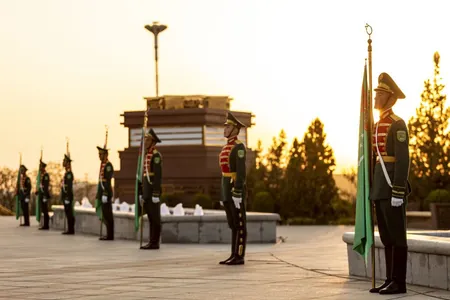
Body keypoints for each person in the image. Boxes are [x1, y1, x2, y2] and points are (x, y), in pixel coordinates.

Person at [369, 72, 410, 295]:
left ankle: (399, 282)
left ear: (390, 98)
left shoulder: (398, 124)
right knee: (386, 236)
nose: (376, 97)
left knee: (397, 235)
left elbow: (403, 159)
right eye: (376, 93)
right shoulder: (377, 124)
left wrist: (398, 189)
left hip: (392, 186)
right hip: (380, 187)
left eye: (380, 94)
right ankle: (389, 279)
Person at [218, 112, 247, 265]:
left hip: (235, 190)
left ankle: (239, 255)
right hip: (227, 189)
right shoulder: (227, 147)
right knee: (233, 224)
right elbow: (224, 173)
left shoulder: (239, 148)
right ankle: (233, 254)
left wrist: (237, 192)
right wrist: (223, 194)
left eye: (228, 126)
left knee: (240, 224)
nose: (225, 129)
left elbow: (241, 173)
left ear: (235, 129)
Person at [138, 128, 163, 250]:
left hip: (153, 190)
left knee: (155, 218)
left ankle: (155, 242)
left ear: (153, 141)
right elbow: (143, 176)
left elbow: (157, 176)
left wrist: (156, 193)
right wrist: (142, 193)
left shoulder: (156, 155)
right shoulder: (146, 155)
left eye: (147, 139)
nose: (145, 141)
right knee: (150, 217)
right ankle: (151, 241)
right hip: (147, 191)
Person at [96, 145, 114, 240]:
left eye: (101, 154)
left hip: (106, 193)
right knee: (105, 215)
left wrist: (105, 194)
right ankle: (108, 234)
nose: (99, 156)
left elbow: (107, 180)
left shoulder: (108, 166)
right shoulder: (103, 165)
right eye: (99, 154)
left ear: (106, 155)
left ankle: (110, 235)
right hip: (103, 193)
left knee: (108, 215)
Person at [61, 154, 75, 234]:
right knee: (67, 212)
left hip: (68, 196)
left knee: (69, 213)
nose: (63, 162)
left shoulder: (69, 174)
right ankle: (70, 229)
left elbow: (69, 187)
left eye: (64, 161)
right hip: (66, 196)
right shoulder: (66, 173)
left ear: (68, 163)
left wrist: (67, 197)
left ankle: (71, 229)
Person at [36, 160, 51, 230]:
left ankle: (46, 225)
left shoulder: (46, 175)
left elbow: (45, 186)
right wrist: (38, 192)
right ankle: (45, 225)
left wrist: (45, 196)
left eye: (40, 167)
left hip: (44, 195)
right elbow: (40, 186)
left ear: (43, 167)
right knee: (43, 210)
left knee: (45, 211)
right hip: (41, 195)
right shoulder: (41, 175)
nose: (39, 168)